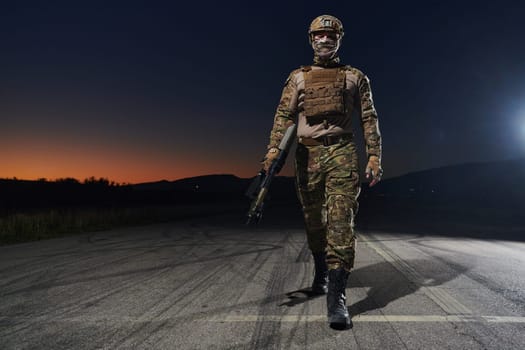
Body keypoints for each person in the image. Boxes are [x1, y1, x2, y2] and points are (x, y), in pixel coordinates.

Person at [261, 14, 383, 330]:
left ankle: (337, 299)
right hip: (307, 155)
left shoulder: (356, 77)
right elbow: (283, 116)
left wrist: (373, 156)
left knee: (341, 219)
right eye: (319, 35)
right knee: (314, 221)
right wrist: (273, 150)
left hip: (342, 153)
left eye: (331, 35)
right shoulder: (297, 78)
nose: (325, 40)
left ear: (339, 39)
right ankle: (321, 272)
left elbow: (369, 118)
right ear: (311, 39)